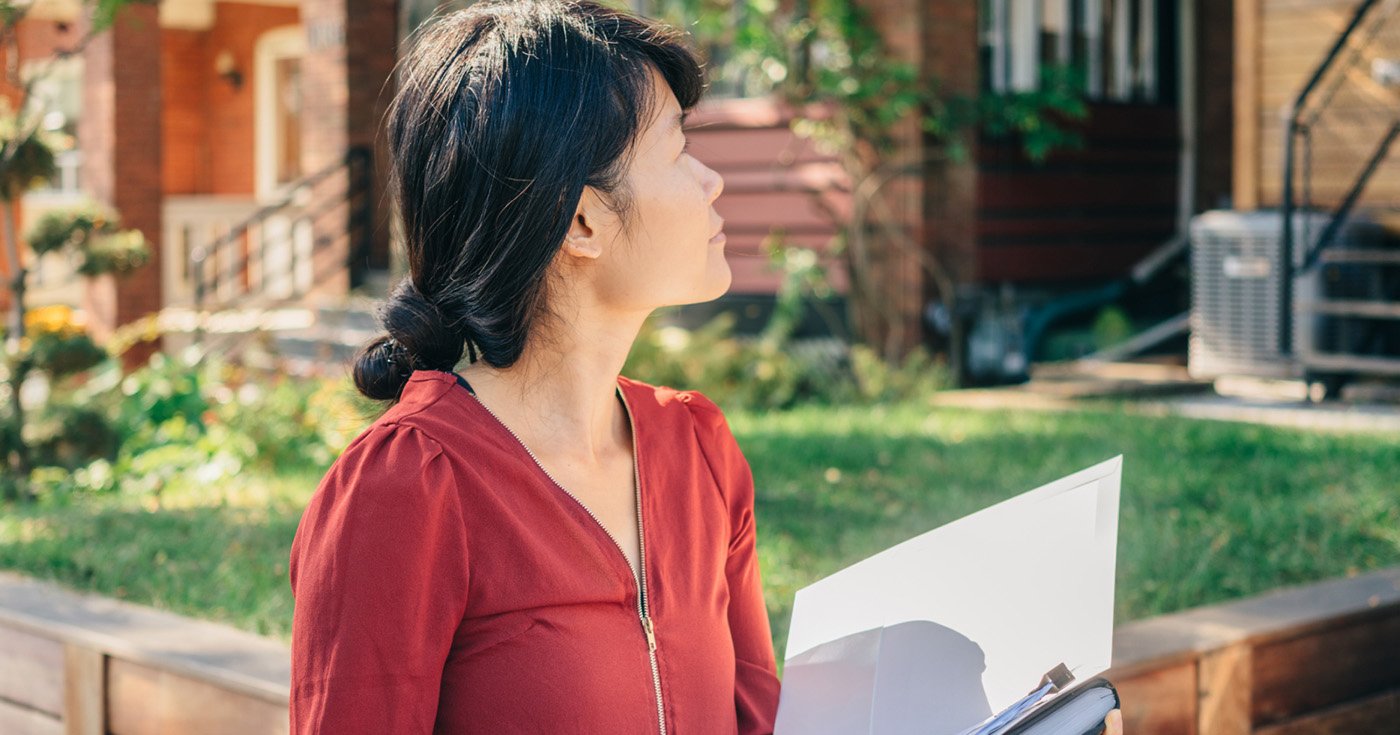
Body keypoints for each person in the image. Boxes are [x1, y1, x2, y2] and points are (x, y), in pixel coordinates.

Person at [286, 2, 1123, 734]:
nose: (713, 180)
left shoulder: (699, 448)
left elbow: (761, 721)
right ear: (581, 221)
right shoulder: (405, 489)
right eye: (680, 151)